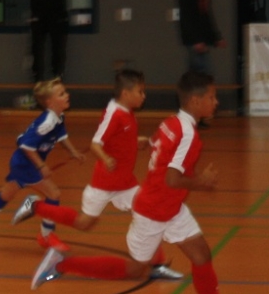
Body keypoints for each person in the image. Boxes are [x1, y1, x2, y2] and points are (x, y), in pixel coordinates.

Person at [30, 71, 251, 294]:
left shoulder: (171, 122)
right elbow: (172, 179)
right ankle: (62, 264)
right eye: (212, 97)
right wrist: (201, 182)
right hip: (154, 210)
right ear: (196, 101)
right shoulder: (187, 134)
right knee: (135, 269)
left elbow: (158, 149)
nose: (215, 102)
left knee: (202, 256)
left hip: (170, 207)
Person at [12, 69, 182, 280]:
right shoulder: (114, 113)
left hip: (126, 183)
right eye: (140, 91)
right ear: (126, 93)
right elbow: (95, 144)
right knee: (84, 223)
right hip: (105, 182)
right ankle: (35, 206)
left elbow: (118, 137)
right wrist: (106, 159)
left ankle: (157, 265)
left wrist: (134, 141)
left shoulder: (126, 112)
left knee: (149, 215)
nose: (144, 96)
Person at [0, 77, 86, 250]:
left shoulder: (58, 117)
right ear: (50, 102)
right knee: (53, 194)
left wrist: (73, 151)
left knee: (7, 193)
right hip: (26, 164)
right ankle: (46, 236)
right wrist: (41, 166)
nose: (67, 95)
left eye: (65, 92)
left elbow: (61, 135)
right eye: (61, 94)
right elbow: (26, 146)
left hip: (21, 162)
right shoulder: (47, 123)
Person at [179, 0, 225, 75]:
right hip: (195, 40)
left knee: (199, 73)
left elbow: (206, 14)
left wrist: (216, 37)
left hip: (200, 39)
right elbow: (187, 16)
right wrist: (196, 40)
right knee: (201, 74)